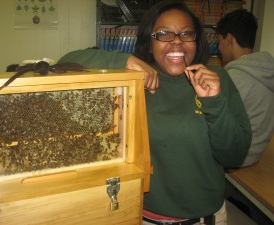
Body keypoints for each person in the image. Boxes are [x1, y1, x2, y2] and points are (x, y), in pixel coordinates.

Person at [58, 1, 252, 224]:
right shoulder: (132, 81)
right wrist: (124, 61)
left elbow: (235, 156)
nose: (177, 42)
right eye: (164, 34)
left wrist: (213, 102)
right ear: (149, 43)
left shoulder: (218, 79)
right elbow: (66, 62)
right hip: (142, 214)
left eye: (186, 34)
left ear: (196, 41)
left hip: (204, 217)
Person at [217, 8, 274, 167]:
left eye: (219, 41)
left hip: (235, 157)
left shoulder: (234, 78)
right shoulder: (265, 71)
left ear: (228, 39)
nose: (219, 48)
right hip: (256, 154)